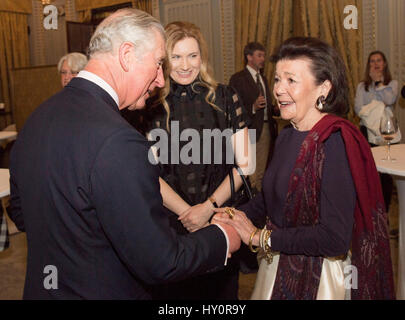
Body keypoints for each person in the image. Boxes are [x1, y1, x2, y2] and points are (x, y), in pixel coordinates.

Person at [7, 9, 240, 300]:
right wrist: (221, 238)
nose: (159, 79)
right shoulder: (119, 140)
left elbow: (23, 215)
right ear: (127, 55)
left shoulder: (36, 119)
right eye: (157, 64)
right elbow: (161, 261)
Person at [213, 37, 395, 300]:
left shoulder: (334, 142)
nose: (278, 89)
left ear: (324, 87)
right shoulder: (287, 135)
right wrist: (232, 215)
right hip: (276, 266)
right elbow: (270, 198)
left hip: (319, 280)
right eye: (277, 79)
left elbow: (334, 238)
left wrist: (259, 238)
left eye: (291, 80)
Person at [134, 21, 252, 300]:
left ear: (202, 57)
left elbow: (246, 164)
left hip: (221, 217)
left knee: (223, 297)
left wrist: (208, 208)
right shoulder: (148, 107)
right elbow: (148, 173)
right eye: (176, 56)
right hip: (171, 226)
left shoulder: (225, 96)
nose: (185, 65)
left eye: (192, 55)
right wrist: (189, 213)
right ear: (163, 60)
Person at [229, 42, 278, 192]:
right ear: (249, 57)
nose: (263, 59)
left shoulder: (262, 78)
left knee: (262, 170)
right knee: (250, 171)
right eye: (259, 55)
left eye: (263, 55)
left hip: (265, 129)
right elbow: (233, 106)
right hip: (248, 129)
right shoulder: (238, 78)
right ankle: (252, 200)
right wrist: (252, 107)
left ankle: (260, 203)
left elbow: (268, 105)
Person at [355, 51, 399, 211]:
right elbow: (358, 108)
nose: (375, 64)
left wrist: (379, 84)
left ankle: (384, 208)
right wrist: (376, 102)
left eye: (379, 60)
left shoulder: (392, 83)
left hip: (387, 130)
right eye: (372, 61)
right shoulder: (362, 86)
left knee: (385, 173)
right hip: (367, 132)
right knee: (369, 170)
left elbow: (390, 100)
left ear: (384, 63)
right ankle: (369, 207)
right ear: (369, 65)